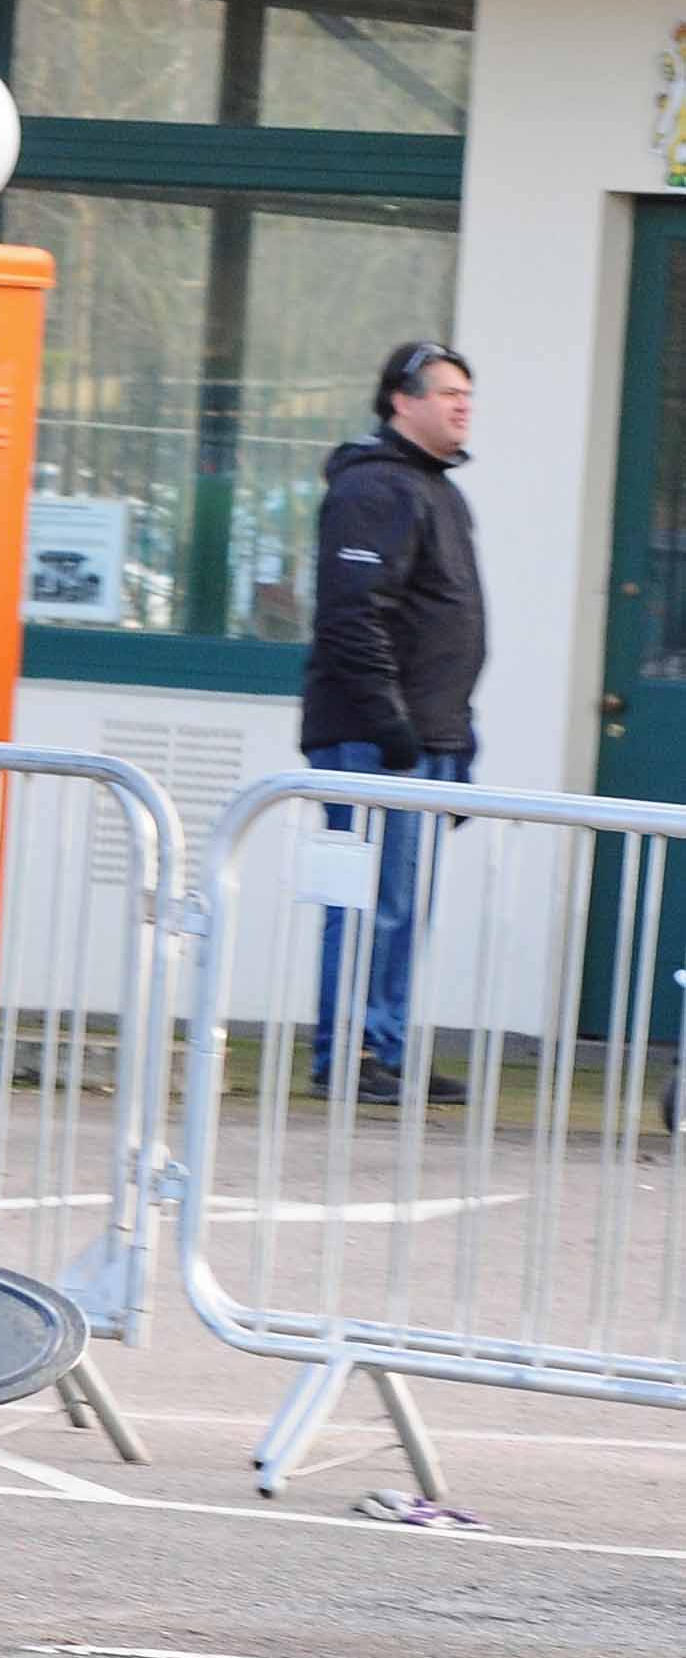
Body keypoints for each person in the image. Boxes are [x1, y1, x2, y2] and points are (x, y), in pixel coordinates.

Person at [298, 339, 486, 1115]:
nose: (462, 404)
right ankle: (349, 1054)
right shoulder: (376, 491)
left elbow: (442, 622)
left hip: (424, 738)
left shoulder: (436, 490)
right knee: (372, 901)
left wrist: (456, 738)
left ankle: (388, 1048)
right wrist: (392, 726)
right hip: (377, 741)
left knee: (405, 905)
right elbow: (354, 618)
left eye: (466, 394)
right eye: (445, 392)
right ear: (400, 401)